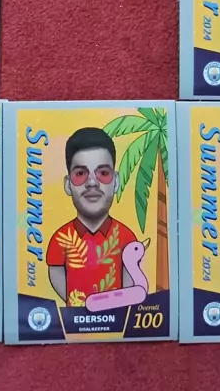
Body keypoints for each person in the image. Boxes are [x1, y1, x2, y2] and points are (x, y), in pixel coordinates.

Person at [46, 127, 137, 307]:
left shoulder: (126, 237)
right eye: (80, 174)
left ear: (116, 182)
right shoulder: (61, 239)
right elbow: (55, 272)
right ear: (68, 185)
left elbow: (130, 275)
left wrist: (117, 304)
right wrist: (77, 304)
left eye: (103, 173)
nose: (92, 183)